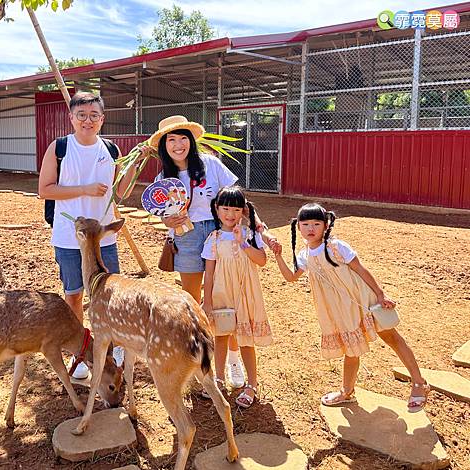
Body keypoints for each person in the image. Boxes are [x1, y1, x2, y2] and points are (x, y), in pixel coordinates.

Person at [265, 203, 430, 410]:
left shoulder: (336, 247)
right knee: (350, 348)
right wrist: (278, 255)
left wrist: (380, 294)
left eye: (316, 223)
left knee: (392, 338)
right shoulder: (305, 255)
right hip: (339, 310)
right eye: (305, 224)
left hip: (362, 300)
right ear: (298, 227)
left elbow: (360, 269)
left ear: (326, 225)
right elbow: (290, 277)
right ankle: (347, 391)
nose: (310, 229)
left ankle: (419, 383)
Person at [38, 92, 138, 379]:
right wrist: (84, 188)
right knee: (74, 295)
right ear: (71, 118)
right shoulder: (59, 148)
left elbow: (121, 192)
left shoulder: (111, 149)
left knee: (110, 294)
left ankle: (114, 346)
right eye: (81, 115)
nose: (87, 120)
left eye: (94, 115)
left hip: (104, 236)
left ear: (102, 119)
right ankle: (81, 353)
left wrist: (133, 166)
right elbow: (45, 189)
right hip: (70, 238)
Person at [147, 115, 246, 388]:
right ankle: (199, 359)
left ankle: (234, 358)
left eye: (182, 139)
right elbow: (159, 211)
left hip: (217, 234)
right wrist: (167, 221)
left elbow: (234, 195)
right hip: (186, 238)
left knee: (224, 299)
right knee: (192, 301)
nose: (178, 145)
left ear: (191, 141)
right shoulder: (163, 179)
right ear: (164, 146)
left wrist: (250, 225)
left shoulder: (211, 165)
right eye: (171, 140)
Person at [201, 186, 273, 408]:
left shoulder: (250, 235)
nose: (230, 214)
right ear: (216, 209)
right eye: (225, 208)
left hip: (246, 294)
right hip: (222, 293)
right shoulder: (212, 238)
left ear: (243, 211)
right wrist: (208, 302)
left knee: (246, 339)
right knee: (221, 337)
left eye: (235, 209)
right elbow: (210, 272)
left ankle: (251, 385)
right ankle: (219, 379)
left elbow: (261, 260)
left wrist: (243, 242)